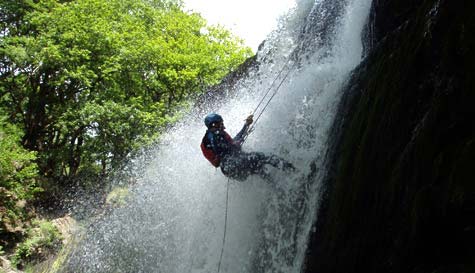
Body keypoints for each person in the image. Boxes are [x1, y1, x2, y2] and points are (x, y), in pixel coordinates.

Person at [200, 113, 295, 181]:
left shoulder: (216, 135)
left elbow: (233, 141)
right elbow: (223, 148)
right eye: (220, 122)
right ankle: (294, 172)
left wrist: (246, 125)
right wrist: (236, 144)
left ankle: (279, 191)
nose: (223, 124)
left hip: (231, 168)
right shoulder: (213, 135)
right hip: (233, 165)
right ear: (214, 124)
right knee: (261, 157)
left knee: (259, 168)